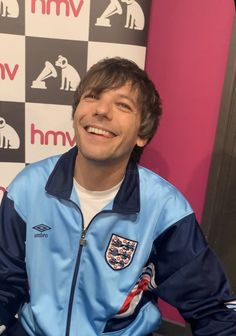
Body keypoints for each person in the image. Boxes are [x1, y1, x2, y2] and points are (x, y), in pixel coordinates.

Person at [0, 57, 235, 336]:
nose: (101, 110)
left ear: (142, 135)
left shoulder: (164, 209)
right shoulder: (28, 188)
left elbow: (212, 309)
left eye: (123, 105)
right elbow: (5, 282)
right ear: (76, 114)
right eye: (92, 97)